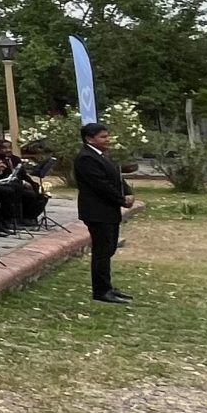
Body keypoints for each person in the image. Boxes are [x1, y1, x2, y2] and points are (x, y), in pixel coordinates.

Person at [75, 121, 135, 303]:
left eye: (106, 135)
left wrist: (128, 193)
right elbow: (100, 185)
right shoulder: (86, 158)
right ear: (89, 139)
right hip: (97, 211)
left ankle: (107, 285)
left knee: (109, 249)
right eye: (102, 136)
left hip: (108, 210)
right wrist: (120, 199)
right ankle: (101, 290)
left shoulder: (102, 155)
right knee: (102, 250)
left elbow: (115, 177)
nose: (107, 139)